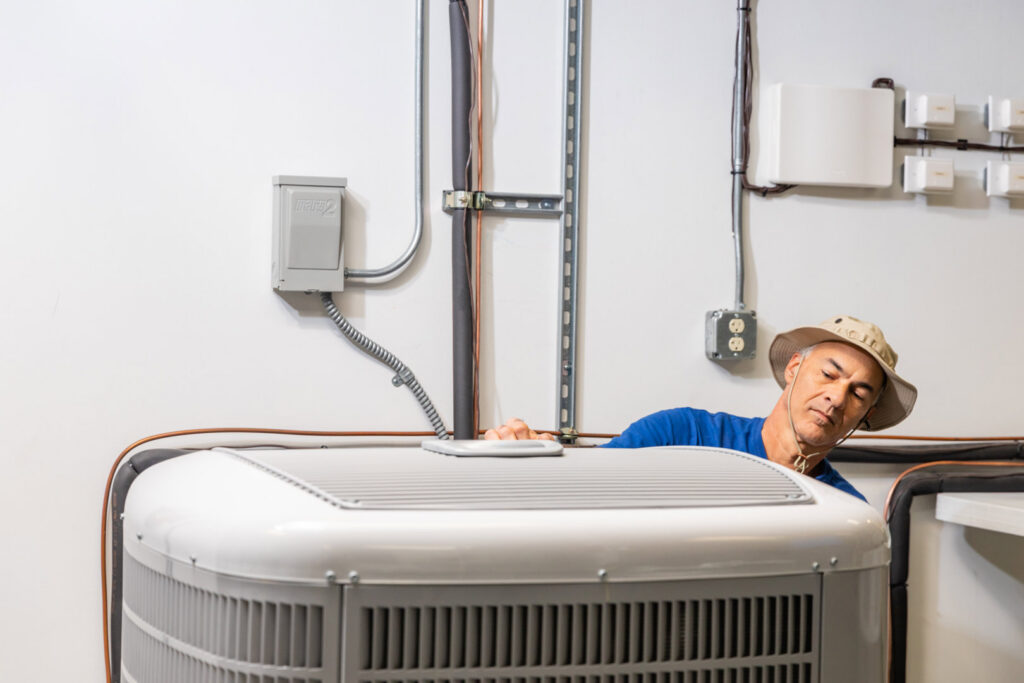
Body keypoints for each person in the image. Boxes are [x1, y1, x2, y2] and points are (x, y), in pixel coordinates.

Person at [484, 315, 917, 502]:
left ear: (865, 417)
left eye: (859, 394)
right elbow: (583, 484)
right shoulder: (678, 434)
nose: (837, 398)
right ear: (795, 368)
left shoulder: (842, 508)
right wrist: (530, 457)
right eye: (830, 374)